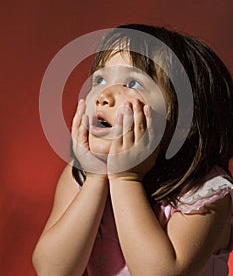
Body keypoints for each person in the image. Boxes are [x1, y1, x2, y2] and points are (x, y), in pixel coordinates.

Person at [32, 24, 233, 276]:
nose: (103, 95)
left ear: (184, 121)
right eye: (100, 79)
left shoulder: (205, 193)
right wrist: (95, 177)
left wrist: (126, 178)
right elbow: (52, 270)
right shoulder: (80, 176)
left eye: (132, 83)